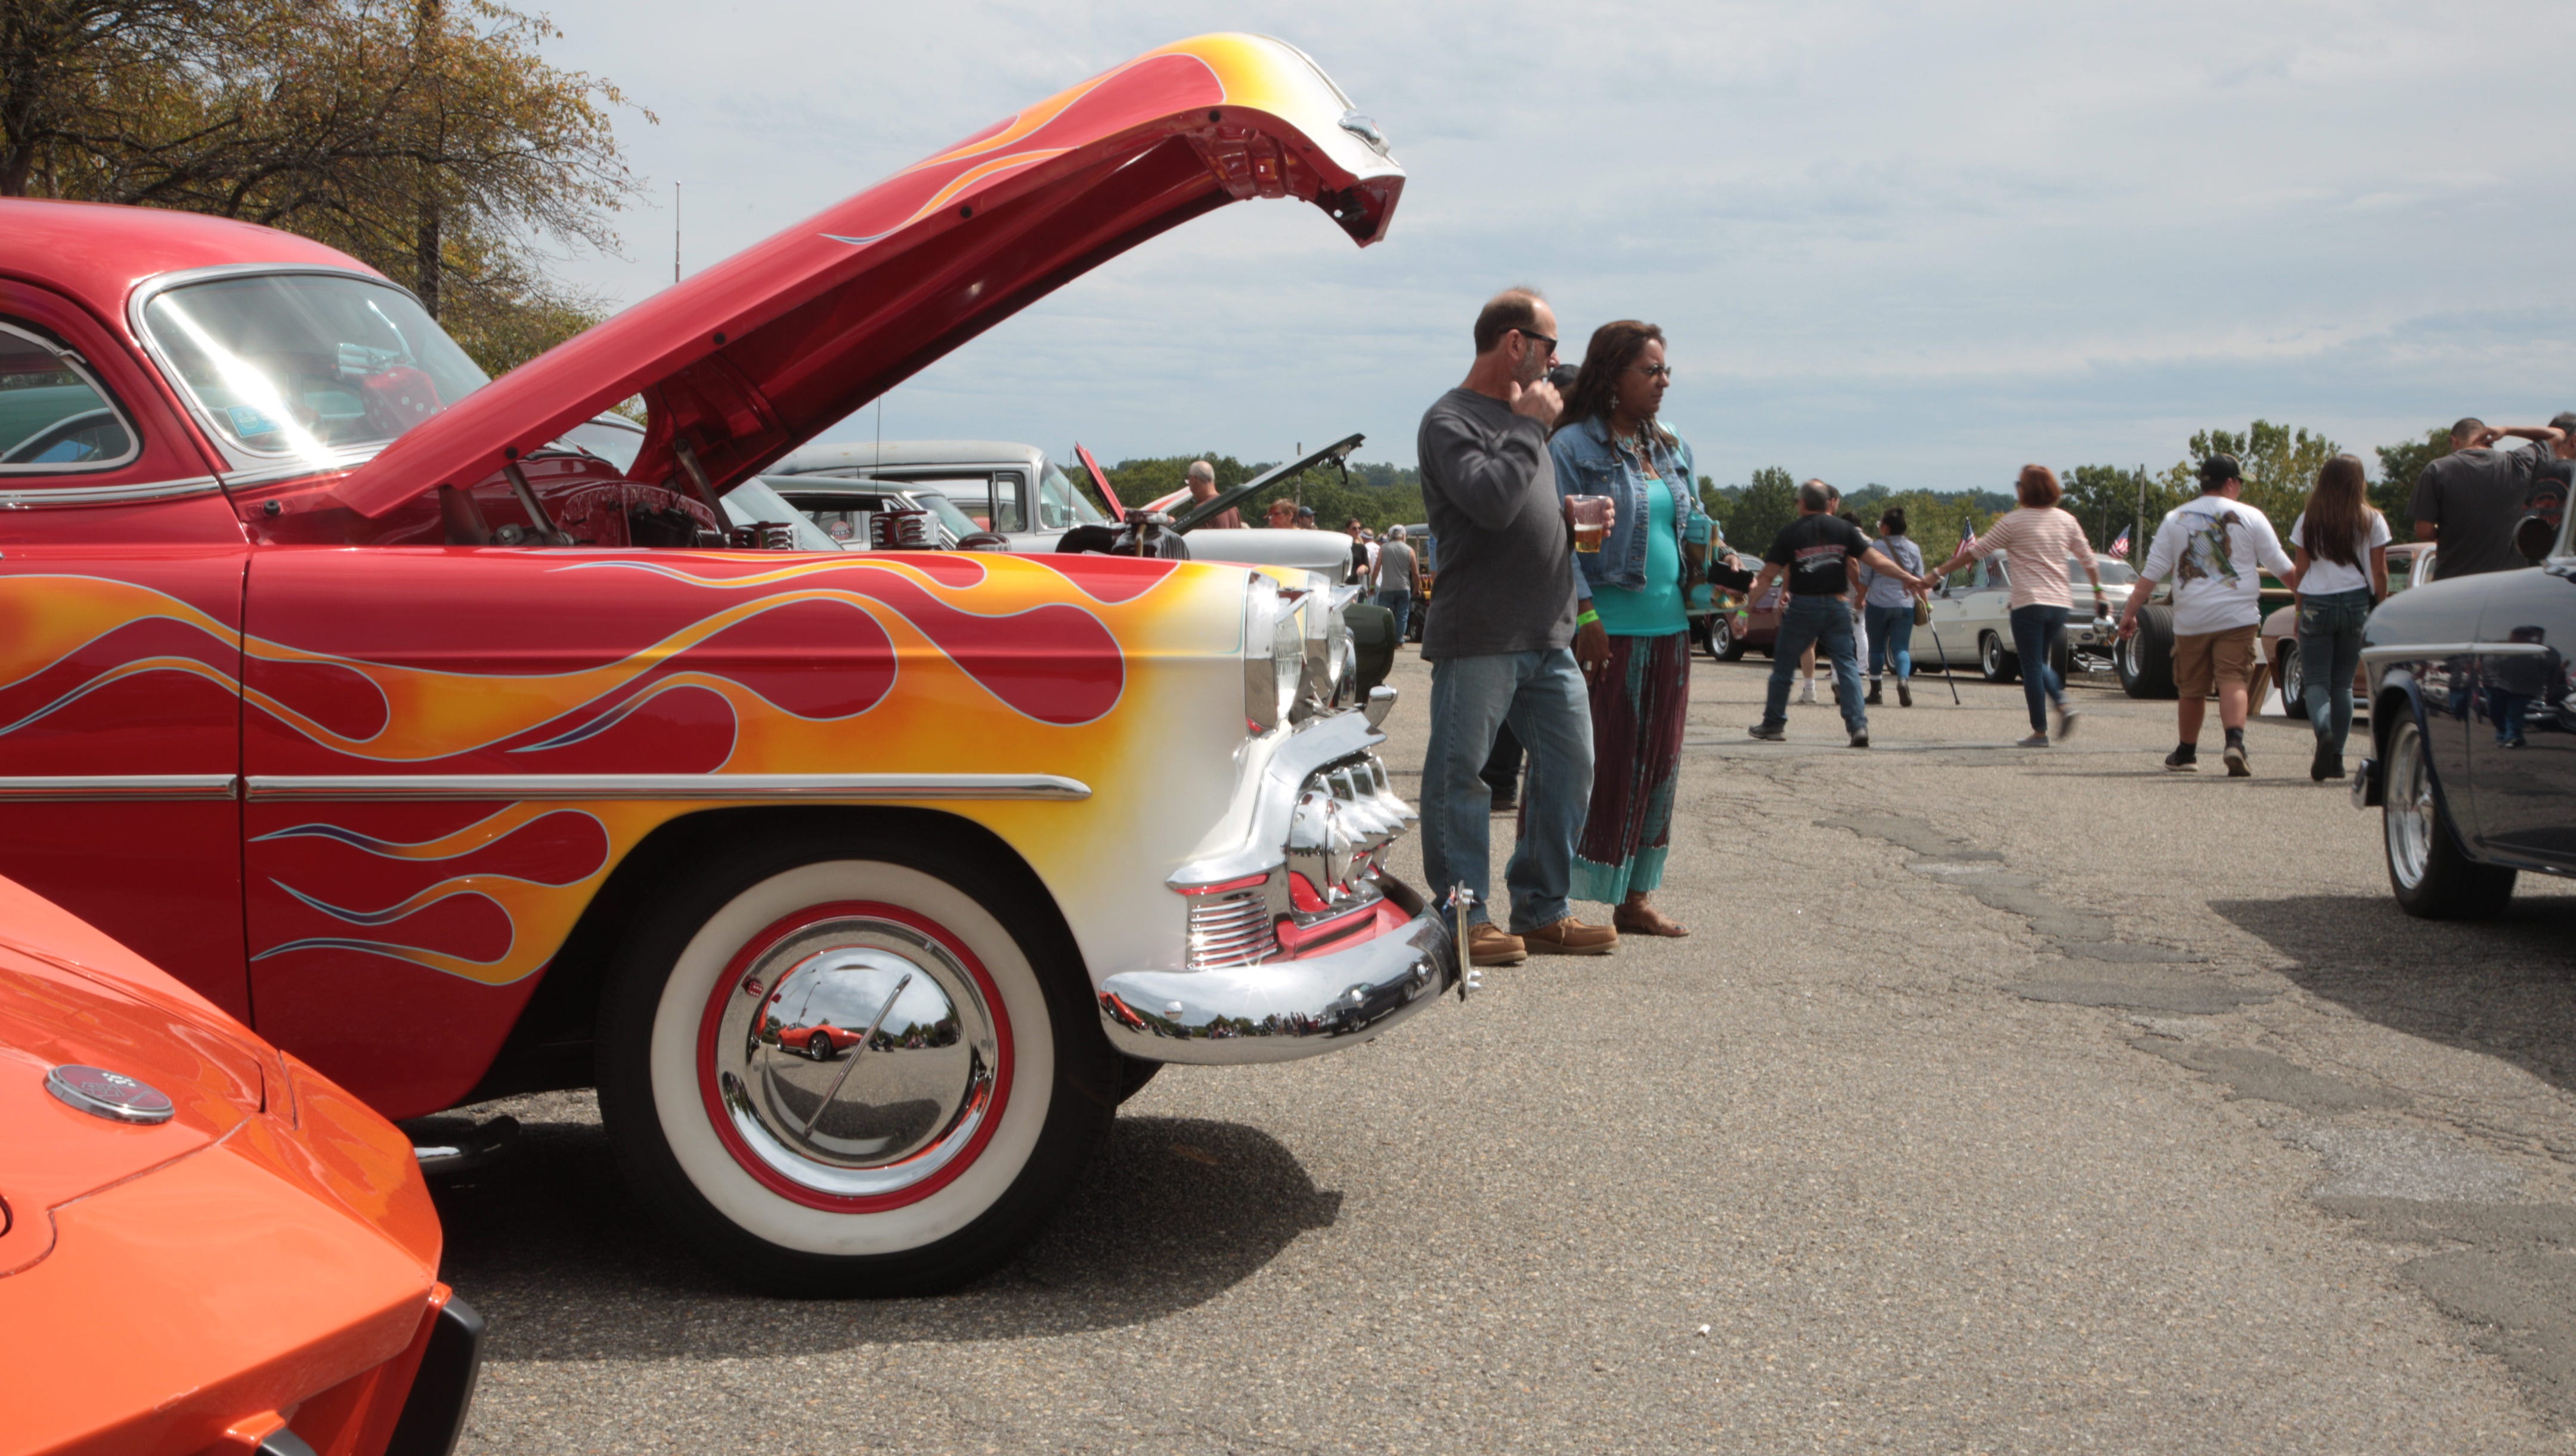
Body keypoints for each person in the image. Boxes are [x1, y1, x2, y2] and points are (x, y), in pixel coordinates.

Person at [1416, 287, 1618, 964]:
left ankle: (1541, 909)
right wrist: (1530, 427)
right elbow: (1492, 504)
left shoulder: (1524, 422)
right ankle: (1464, 917)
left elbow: (1523, 508)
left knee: (1571, 764)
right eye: (1551, 345)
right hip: (1480, 631)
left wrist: (1570, 520)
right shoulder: (1451, 419)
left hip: (1546, 631)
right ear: (1515, 344)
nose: (1557, 360)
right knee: (1461, 774)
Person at [1547, 319, 1711, 937]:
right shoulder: (1572, 448)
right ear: (1613, 376)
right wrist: (1585, 613)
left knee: (1658, 765)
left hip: (1670, 627)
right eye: (1650, 370)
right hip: (1606, 628)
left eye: (1666, 369)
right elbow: (1559, 544)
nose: (1663, 381)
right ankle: (1554, 896)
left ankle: (1636, 897)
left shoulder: (1670, 446)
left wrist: (1708, 554)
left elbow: (1689, 522)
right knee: (1593, 765)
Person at [2116, 453, 2298, 775]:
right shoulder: (2252, 517)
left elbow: (2152, 573)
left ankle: (2187, 752)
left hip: (2191, 619)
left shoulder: (2175, 518)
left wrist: (2130, 614)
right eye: (2239, 482)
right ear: (2229, 483)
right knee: (2233, 679)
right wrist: (2306, 602)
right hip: (2238, 617)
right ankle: (2235, 743)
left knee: (2191, 687)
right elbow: (2282, 567)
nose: (2240, 488)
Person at [1928, 465, 2103, 747]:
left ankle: (2042, 728)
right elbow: (2089, 560)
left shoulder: (2014, 522)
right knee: (2039, 661)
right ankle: (2061, 706)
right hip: (2060, 602)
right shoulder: (2067, 520)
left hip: (2029, 603)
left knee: (2030, 663)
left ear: (2027, 489)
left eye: (2019, 484)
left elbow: (1975, 552)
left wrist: (1936, 573)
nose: (2017, 488)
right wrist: (2098, 593)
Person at [1745, 480, 1927, 748]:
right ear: (1827, 503)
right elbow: (1874, 561)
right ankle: (1858, 726)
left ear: (1803, 504)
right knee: (1847, 664)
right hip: (1837, 605)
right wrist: (1908, 578)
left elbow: (1766, 576)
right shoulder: (1843, 530)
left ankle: (1774, 723)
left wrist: (1743, 609)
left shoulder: (1790, 533)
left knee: (1784, 663)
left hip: (1803, 607)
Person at [2285, 454, 2389, 781]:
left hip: (2317, 602)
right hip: (2356, 604)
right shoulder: (2372, 519)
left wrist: (2299, 610)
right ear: (2358, 482)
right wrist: (2380, 608)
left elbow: (2301, 570)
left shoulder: (2308, 519)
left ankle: (2325, 733)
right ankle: (2339, 758)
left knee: (2316, 681)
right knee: (2344, 683)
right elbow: (2380, 572)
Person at [2410, 416, 2568, 579]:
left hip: (2454, 581)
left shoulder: (2437, 470)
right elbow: (2558, 435)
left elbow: (2424, 531)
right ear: (2488, 438)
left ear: (2454, 440)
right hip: (2506, 583)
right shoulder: (2517, 463)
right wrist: (2507, 430)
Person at [1857, 505, 1923, 706]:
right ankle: (1903, 680)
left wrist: (1859, 598)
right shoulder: (1914, 549)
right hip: (1905, 603)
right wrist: (1926, 606)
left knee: (1876, 648)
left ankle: (1876, 691)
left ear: (1885, 527)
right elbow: (1920, 580)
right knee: (1901, 648)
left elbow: (1865, 579)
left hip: (1878, 603)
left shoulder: (1874, 549)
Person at [1372, 523, 1419, 642]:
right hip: (1404, 587)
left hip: (1386, 588)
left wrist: (1372, 585)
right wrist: (1417, 588)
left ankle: (1385, 639)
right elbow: (1415, 573)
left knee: (1385, 615)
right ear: (1403, 536)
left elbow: (1377, 568)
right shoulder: (1410, 550)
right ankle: (1398, 640)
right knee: (1402, 615)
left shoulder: (1384, 548)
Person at [1184, 459, 1241, 528]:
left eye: (1189, 481)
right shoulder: (1233, 509)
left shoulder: (1201, 511)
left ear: (1194, 480)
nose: (1189, 486)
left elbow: (1200, 539)